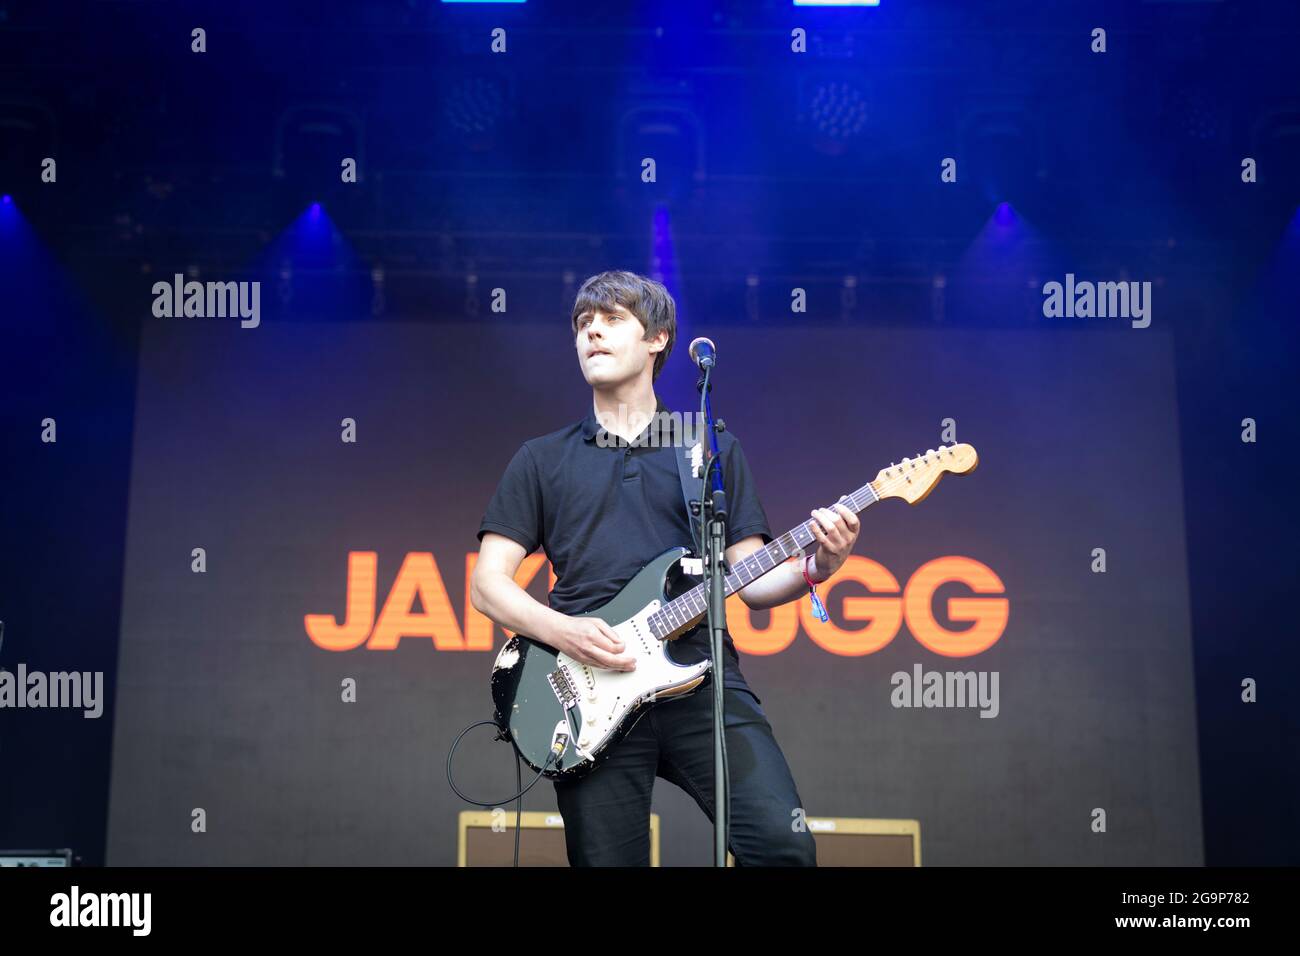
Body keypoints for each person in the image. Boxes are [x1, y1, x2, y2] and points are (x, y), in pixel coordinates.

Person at [470, 270, 859, 866]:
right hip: (588, 693)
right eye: (582, 324)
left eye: (612, 319)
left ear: (658, 339)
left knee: (784, 848)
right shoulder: (541, 459)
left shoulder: (708, 447)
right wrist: (563, 630)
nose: (592, 332)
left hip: (701, 682)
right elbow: (489, 585)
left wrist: (821, 564)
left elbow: (750, 579)